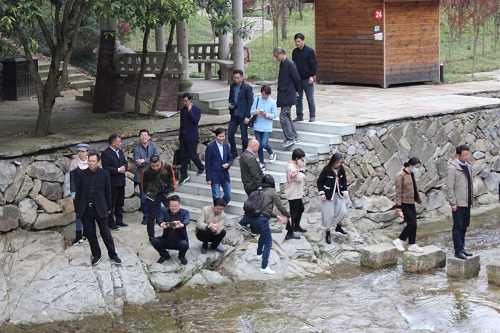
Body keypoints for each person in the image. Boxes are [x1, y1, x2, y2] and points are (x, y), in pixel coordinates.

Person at [74, 153, 122, 266]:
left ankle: (113, 254)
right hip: (86, 208)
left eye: (93, 161)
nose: (91, 163)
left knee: (105, 232)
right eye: (89, 161)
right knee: (90, 233)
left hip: (100, 208)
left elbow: (108, 192)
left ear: (98, 162)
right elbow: (78, 193)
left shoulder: (104, 174)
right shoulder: (81, 174)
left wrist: (109, 207)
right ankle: (96, 254)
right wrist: (78, 209)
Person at [249, 175, 290, 274]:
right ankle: (264, 267)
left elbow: (263, 208)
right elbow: (280, 206)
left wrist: (276, 216)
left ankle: (259, 255)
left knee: (264, 234)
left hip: (252, 219)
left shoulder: (260, 191)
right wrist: (289, 216)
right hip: (262, 220)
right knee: (268, 242)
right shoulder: (272, 192)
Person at [445, 144, 474, 260]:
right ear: (458, 155)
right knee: (457, 226)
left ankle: (462, 247)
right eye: (464, 155)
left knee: (465, 225)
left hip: (467, 201)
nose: (467, 157)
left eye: (468, 154)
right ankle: (457, 251)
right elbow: (449, 187)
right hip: (458, 202)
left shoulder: (468, 166)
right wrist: (453, 202)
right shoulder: (453, 168)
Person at [392, 157, 424, 253]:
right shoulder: (400, 175)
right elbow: (398, 192)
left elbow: (414, 187)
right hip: (403, 203)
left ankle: (412, 244)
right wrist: (398, 206)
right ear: (411, 165)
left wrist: (417, 199)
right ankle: (399, 240)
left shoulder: (411, 174)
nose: (417, 169)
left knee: (414, 224)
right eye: (416, 167)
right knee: (411, 224)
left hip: (411, 202)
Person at [141, 154, 175, 243]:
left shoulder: (167, 166)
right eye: (153, 166)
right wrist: (147, 193)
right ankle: (151, 236)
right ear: (150, 164)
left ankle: (170, 233)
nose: (155, 168)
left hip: (166, 193)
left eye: (157, 165)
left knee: (171, 213)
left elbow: (172, 179)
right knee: (151, 216)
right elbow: (143, 183)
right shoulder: (146, 170)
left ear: (160, 162)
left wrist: (171, 191)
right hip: (152, 195)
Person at [317, 153, 349, 244]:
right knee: (329, 214)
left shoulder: (341, 170)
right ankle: (328, 232)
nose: (339, 164)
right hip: (328, 195)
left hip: (338, 194)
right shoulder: (326, 170)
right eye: (338, 163)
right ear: (333, 162)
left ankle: (339, 226)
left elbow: (344, 180)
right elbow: (319, 182)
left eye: (340, 162)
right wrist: (322, 193)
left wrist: (345, 190)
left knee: (343, 211)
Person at [151, 195, 190, 265]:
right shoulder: (164, 210)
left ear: (180, 204)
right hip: (167, 239)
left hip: (179, 241)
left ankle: (181, 256)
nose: (174, 208)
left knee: (185, 244)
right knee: (154, 241)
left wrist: (181, 225)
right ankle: (165, 255)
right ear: (169, 205)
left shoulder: (185, 212)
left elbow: (187, 220)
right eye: (171, 206)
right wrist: (161, 224)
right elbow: (159, 218)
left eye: (176, 206)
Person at [274, 46, 300, 148]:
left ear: (282, 54)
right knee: (287, 116)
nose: (276, 58)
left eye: (277, 56)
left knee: (283, 117)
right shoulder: (283, 64)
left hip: (288, 94)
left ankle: (290, 138)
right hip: (284, 94)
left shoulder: (290, 64)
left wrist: (297, 90)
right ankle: (294, 136)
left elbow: (296, 78)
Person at [133, 129, 160, 225]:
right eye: (141, 135)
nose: (143, 136)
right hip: (142, 176)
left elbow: (157, 159)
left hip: (154, 175)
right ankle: (146, 217)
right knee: (144, 198)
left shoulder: (154, 146)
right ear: (139, 138)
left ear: (149, 137)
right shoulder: (136, 148)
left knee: (156, 197)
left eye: (145, 135)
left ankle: (158, 217)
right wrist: (150, 160)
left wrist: (144, 160)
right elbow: (137, 162)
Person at [101, 133, 128, 230]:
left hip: (121, 181)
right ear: (113, 143)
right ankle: (111, 223)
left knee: (120, 202)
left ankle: (119, 220)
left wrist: (125, 167)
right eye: (119, 142)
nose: (121, 144)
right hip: (112, 182)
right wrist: (117, 170)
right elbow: (106, 168)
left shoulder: (120, 152)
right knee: (111, 203)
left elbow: (125, 162)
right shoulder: (106, 153)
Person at [238, 139, 264, 233]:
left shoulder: (243, 155)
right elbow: (255, 174)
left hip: (247, 184)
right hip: (253, 185)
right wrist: (260, 185)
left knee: (253, 206)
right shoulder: (251, 158)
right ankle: (243, 222)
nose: (258, 149)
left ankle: (254, 228)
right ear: (253, 146)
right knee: (255, 208)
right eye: (257, 147)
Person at [179, 92, 204, 185]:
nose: (184, 102)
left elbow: (195, 121)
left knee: (192, 154)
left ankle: (201, 167)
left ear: (190, 100)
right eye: (183, 101)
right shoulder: (182, 110)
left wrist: (190, 111)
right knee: (182, 156)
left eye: (186, 101)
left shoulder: (197, 109)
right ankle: (184, 175)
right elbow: (181, 123)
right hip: (183, 136)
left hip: (192, 136)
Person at [228, 69, 254, 159]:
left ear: (242, 77)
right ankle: (234, 152)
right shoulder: (232, 86)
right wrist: (230, 104)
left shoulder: (247, 87)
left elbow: (250, 102)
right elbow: (231, 97)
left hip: (243, 115)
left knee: (244, 136)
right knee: (230, 133)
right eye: (234, 78)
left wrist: (248, 116)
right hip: (234, 114)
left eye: (237, 78)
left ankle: (244, 153)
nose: (236, 80)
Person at [251, 84, 278, 171]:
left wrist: (267, 114)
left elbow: (274, 115)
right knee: (258, 145)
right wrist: (256, 112)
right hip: (258, 124)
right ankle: (261, 162)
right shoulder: (257, 99)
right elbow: (251, 110)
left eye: (265, 94)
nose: (264, 96)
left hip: (267, 125)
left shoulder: (272, 102)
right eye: (263, 94)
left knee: (264, 143)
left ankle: (272, 152)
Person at [292, 33, 317, 123]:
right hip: (298, 79)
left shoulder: (310, 51)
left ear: (303, 41)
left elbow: (313, 64)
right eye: (296, 41)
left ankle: (312, 115)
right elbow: (293, 65)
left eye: (299, 41)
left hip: (307, 78)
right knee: (298, 98)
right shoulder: (295, 52)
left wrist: (312, 76)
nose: (297, 43)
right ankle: (299, 115)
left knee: (310, 98)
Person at [205, 128, 232, 204]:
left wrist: (228, 164)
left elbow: (230, 158)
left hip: (225, 175)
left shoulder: (226, 146)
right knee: (216, 196)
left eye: (223, 136)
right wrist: (209, 178)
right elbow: (208, 163)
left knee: (228, 195)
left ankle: (220, 207)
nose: (222, 138)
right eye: (220, 136)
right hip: (214, 175)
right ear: (216, 136)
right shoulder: (210, 147)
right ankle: (217, 209)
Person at [69, 143, 89, 245]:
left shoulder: (91, 162)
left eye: (83, 152)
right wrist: (73, 192)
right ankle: (78, 235)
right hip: (78, 193)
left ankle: (87, 233)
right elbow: (72, 179)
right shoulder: (74, 163)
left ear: (87, 152)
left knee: (89, 212)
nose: (81, 154)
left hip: (89, 192)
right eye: (79, 152)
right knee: (79, 214)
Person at [285, 148, 307, 240]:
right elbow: (298, 178)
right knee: (293, 213)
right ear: (297, 158)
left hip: (297, 193)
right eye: (301, 159)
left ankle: (296, 225)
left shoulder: (295, 165)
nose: (302, 161)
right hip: (293, 193)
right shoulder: (291, 167)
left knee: (300, 209)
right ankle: (289, 232)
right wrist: (301, 171)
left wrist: (300, 168)